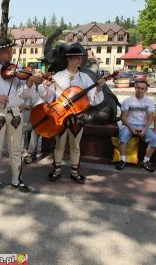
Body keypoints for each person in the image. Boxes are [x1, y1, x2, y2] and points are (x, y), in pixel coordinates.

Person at [0, 36, 44, 195]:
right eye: (6, 51)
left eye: (11, 51)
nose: (10, 54)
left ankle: (16, 179)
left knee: (16, 149)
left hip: (16, 113)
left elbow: (22, 93)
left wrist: (30, 82)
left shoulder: (18, 69)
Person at [48, 45, 106, 184]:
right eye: (77, 57)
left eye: (81, 57)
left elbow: (92, 99)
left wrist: (98, 89)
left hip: (77, 118)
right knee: (59, 145)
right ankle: (57, 169)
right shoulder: (57, 76)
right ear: (69, 58)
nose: (80, 59)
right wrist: (45, 86)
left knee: (75, 146)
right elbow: (49, 97)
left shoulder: (85, 77)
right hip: (60, 117)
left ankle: (75, 171)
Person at [115, 80, 156, 172]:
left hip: (143, 125)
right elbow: (123, 117)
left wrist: (144, 129)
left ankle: (145, 161)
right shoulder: (128, 101)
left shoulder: (149, 102)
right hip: (129, 124)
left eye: (142, 88)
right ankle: (123, 160)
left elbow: (150, 118)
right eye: (138, 88)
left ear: (146, 90)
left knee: (155, 139)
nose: (139, 90)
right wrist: (131, 128)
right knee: (122, 135)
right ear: (135, 88)